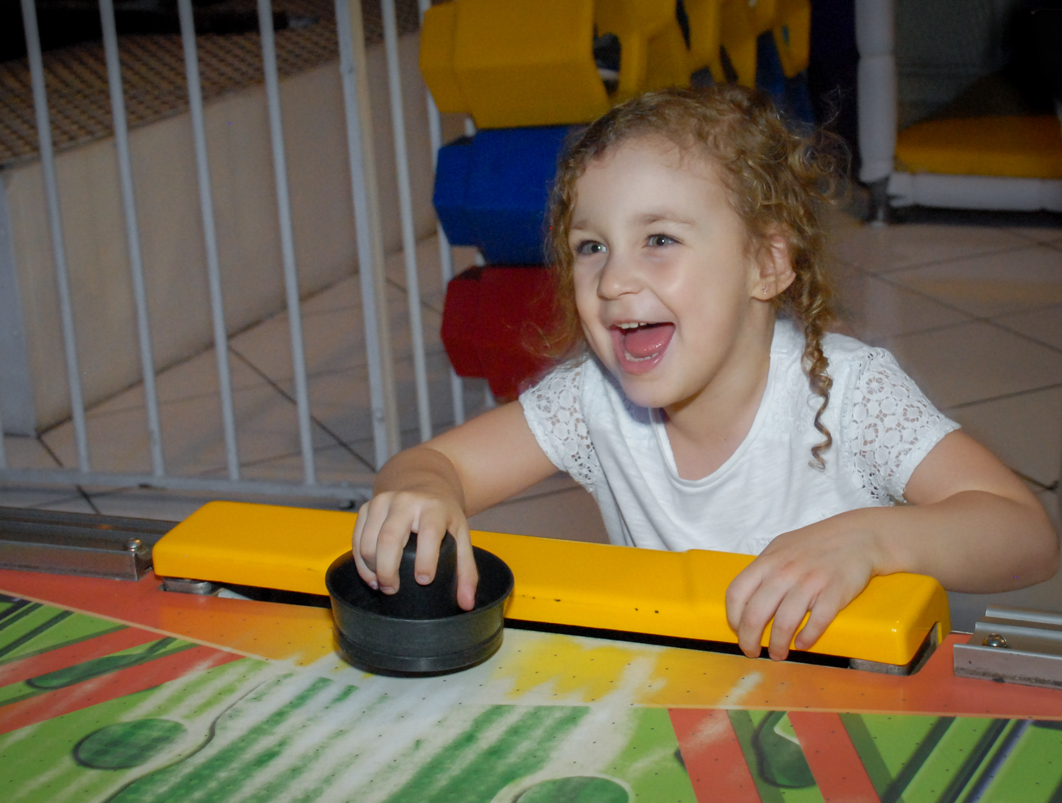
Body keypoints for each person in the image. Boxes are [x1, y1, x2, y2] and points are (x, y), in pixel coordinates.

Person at [352, 85, 1060, 661]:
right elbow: (433, 463)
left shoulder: (846, 393)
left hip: (850, 721)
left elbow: (1025, 533)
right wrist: (420, 490)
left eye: (659, 239)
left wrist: (872, 539)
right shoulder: (593, 401)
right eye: (592, 246)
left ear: (766, 264)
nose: (613, 280)